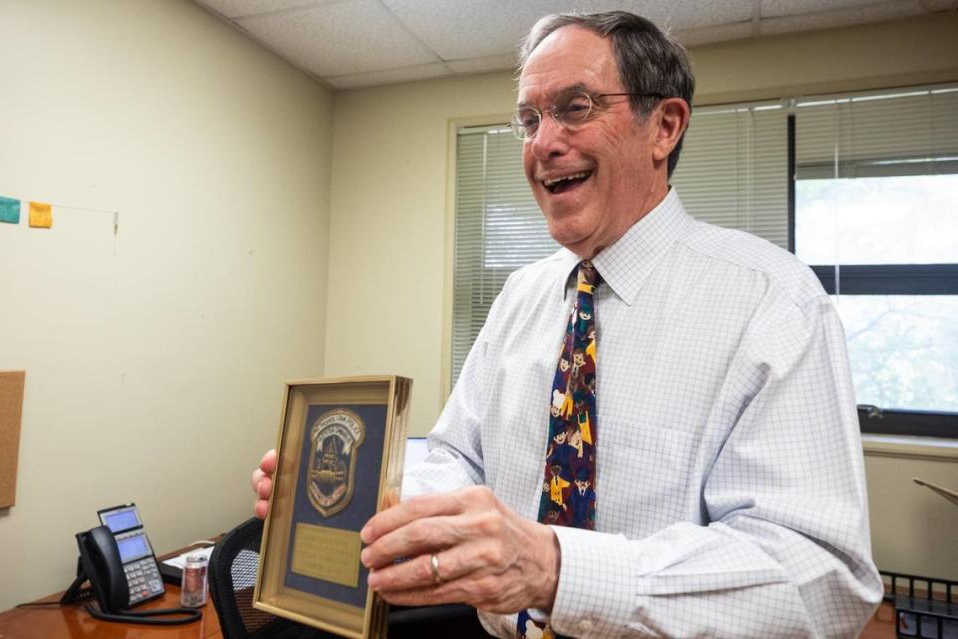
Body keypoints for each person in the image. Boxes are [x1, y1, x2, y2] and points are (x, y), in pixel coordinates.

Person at [253, 11, 882, 638]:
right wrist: (363, 493)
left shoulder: (773, 300)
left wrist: (557, 571)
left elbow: (820, 579)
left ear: (663, 127)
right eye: (529, 119)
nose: (543, 143)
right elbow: (457, 457)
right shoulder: (522, 294)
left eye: (575, 107)